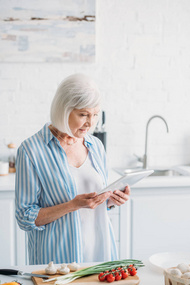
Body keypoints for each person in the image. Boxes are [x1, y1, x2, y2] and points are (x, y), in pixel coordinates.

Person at [15, 74, 130, 265]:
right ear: (63, 110)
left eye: (95, 115)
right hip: (56, 261)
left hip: (100, 254)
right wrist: (72, 205)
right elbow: (25, 217)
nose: (90, 123)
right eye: (83, 114)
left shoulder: (96, 146)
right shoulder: (31, 150)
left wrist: (110, 200)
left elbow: (95, 203)